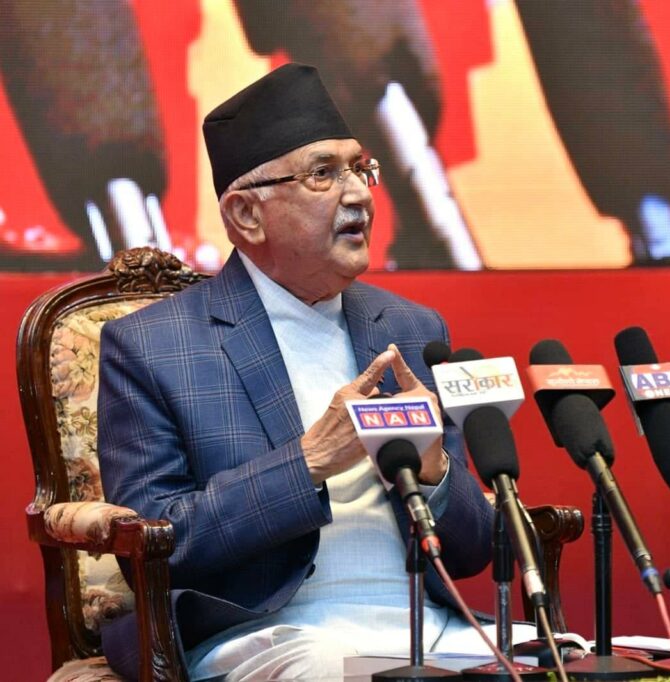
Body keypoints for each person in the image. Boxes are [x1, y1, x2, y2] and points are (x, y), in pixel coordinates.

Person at [97, 63, 495, 680]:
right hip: (268, 633)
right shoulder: (153, 346)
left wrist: (436, 470)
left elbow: (472, 552)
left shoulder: (411, 329)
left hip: (430, 626)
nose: (359, 194)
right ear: (246, 216)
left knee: (566, 659)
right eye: (323, 174)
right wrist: (308, 462)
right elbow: (158, 546)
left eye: (360, 168)